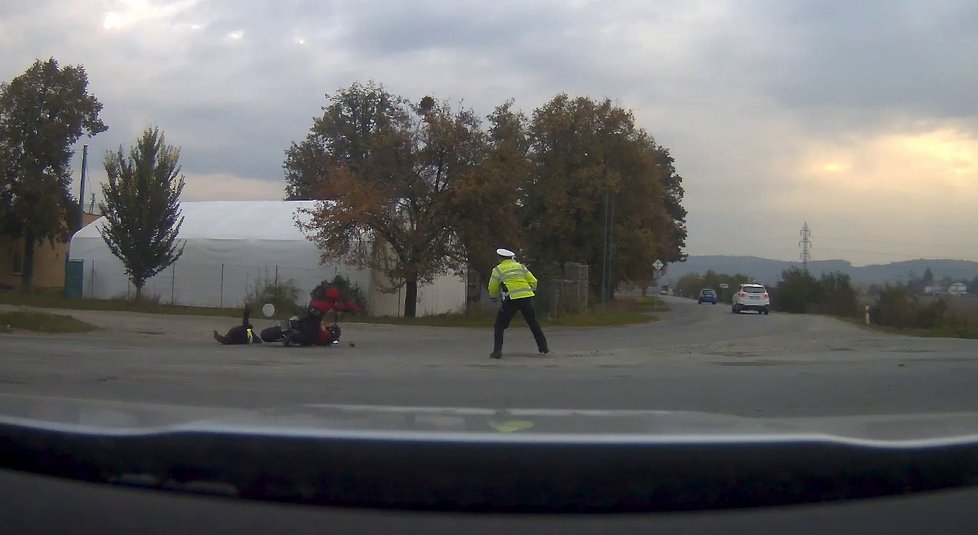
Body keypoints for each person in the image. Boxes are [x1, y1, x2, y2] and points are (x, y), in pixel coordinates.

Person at [487, 248, 549, 359]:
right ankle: (543, 347)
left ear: (500, 258)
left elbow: (493, 286)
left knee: (499, 325)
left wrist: (493, 298)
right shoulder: (520, 267)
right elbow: (534, 281)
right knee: (533, 322)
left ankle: (497, 352)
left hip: (512, 299)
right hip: (526, 297)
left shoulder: (498, 269)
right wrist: (530, 291)